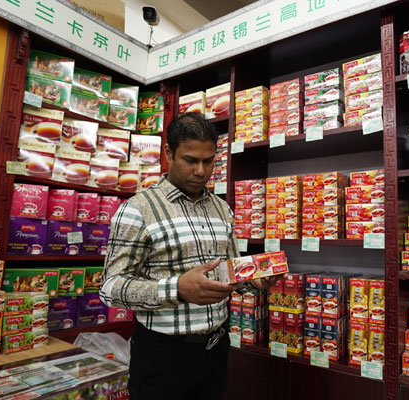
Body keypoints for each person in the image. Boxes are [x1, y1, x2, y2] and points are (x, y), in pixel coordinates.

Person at [100, 112, 284, 400]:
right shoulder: (138, 209)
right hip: (163, 354)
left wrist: (256, 280)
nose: (201, 171)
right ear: (169, 154)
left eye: (208, 161)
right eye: (190, 160)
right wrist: (177, 289)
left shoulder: (222, 209)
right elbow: (110, 288)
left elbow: (229, 272)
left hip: (216, 347)